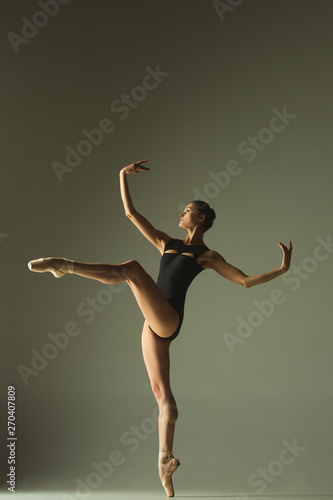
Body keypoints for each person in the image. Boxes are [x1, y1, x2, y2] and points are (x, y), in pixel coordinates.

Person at [27, 159, 293, 497]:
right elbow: (131, 215)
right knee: (163, 399)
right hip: (153, 327)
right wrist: (121, 175)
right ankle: (165, 463)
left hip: (168, 319)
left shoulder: (206, 255)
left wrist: (280, 270)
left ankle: (63, 265)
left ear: (201, 218)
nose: (180, 215)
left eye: (186, 211)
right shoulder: (167, 242)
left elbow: (243, 281)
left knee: (131, 270)